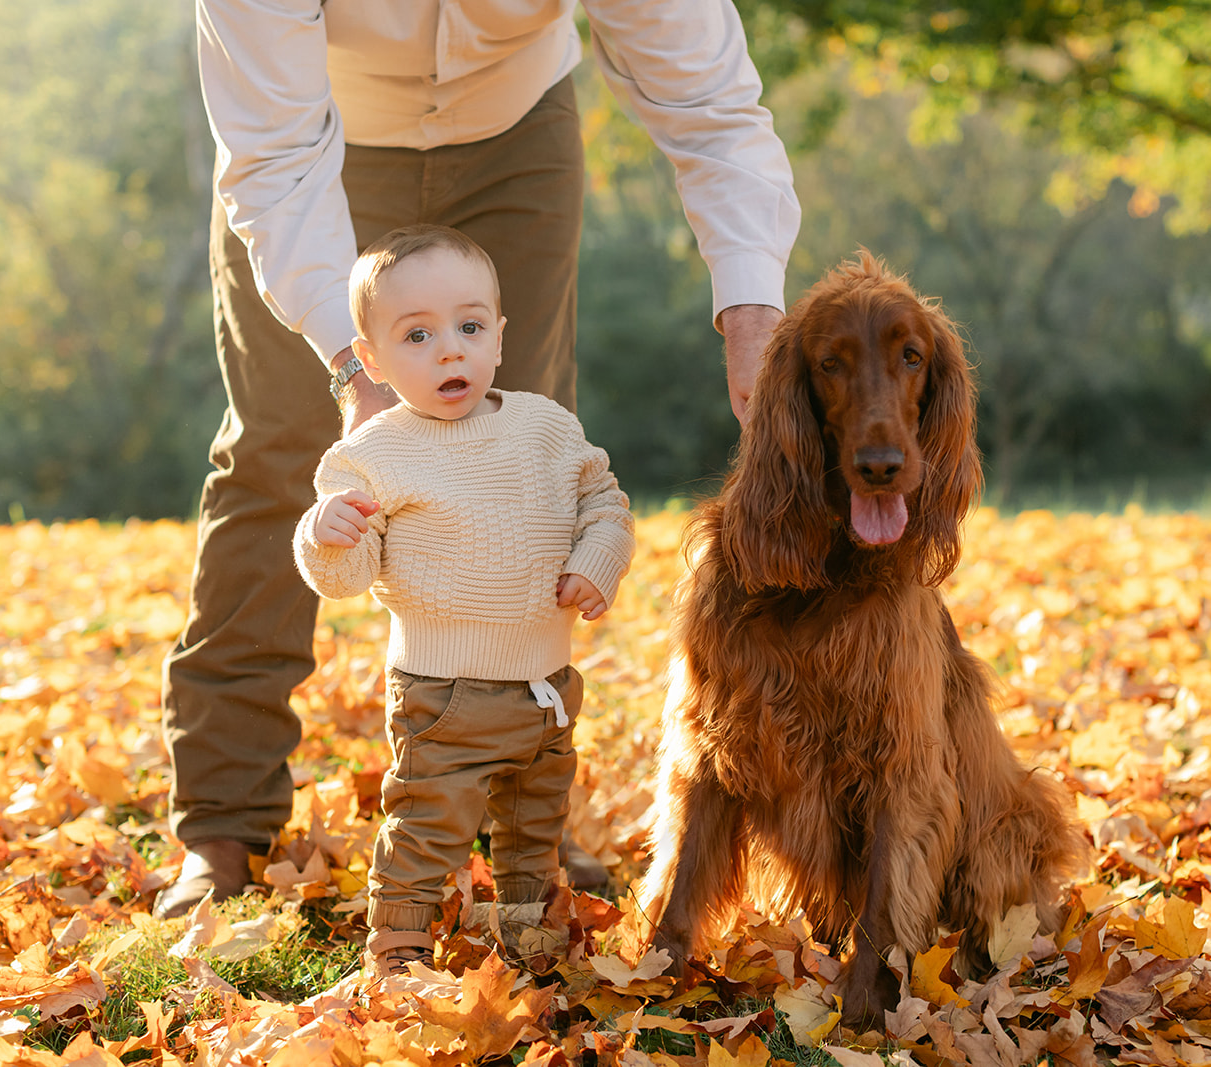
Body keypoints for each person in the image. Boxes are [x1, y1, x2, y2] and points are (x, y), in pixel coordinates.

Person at [157, 0, 799, 919]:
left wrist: (752, 305)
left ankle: (519, 817)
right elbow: (276, 159)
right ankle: (223, 819)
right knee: (281, 449)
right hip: (319, 146)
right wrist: (356, 371)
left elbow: (709, 98)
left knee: (527, 456)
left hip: (515, 127)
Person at [291, 225, 634, 974]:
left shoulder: (547, 427)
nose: (451, 350)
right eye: (418, 335)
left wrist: (597, 559)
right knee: (425, 824)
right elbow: (348, 579)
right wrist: (329, 535)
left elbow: (603, 501)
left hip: (546, 689)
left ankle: (532, 940)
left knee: (534, 824)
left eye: (470, 327)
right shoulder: (371, 454)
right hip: (441, 697)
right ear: (372, 359)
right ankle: (400, 951)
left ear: (500, 337)